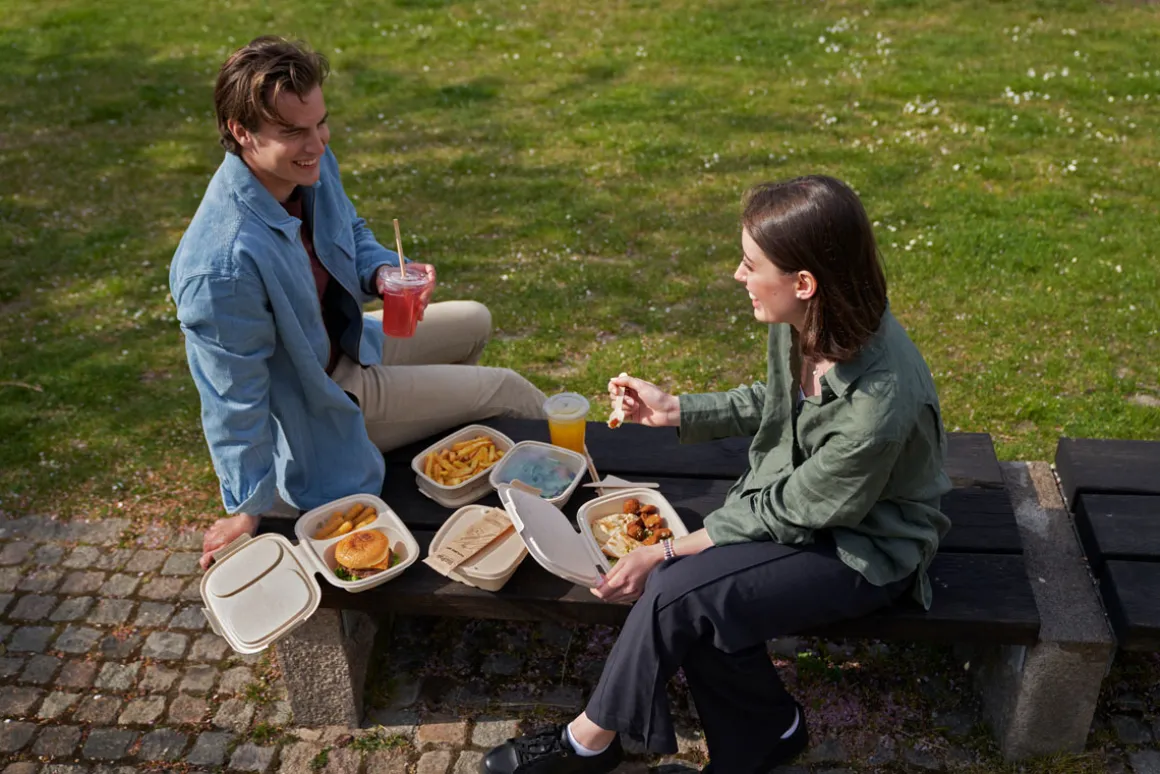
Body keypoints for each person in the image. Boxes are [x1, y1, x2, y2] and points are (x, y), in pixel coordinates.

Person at [480, 176, 952, 774]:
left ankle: (588, 742)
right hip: (798, 508)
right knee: (692, 590)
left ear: (804, 283)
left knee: (677, 588)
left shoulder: (877, 406)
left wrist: (667, 550)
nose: (737, 275)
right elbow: (778, 402)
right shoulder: (807, 320)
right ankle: (768, 731)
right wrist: (675, 410)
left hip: (864, 547)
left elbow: (795, 509)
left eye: (751, 265)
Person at [170, 37, 547, 570]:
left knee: (476, 320)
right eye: (294, 132)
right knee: (507, 389)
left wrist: (381, 271)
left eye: (321, 123)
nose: (317, 143)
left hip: (351, 339)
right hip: (323, 397)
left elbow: (349, 230)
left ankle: (442, 447)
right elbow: (232, 395)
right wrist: (248, 507)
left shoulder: (305, 164)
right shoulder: (220, 265)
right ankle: (569, 489)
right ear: (241, 132)